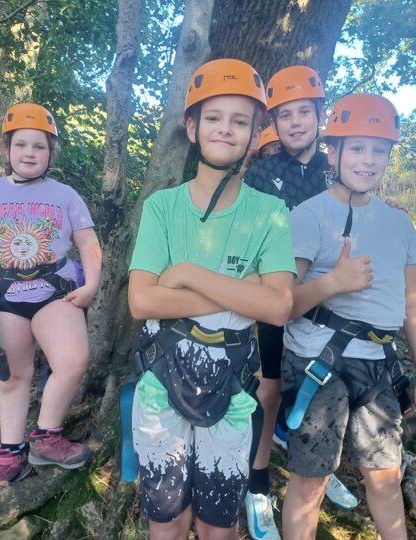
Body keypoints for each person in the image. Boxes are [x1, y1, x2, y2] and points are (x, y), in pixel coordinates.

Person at [127, 58, 295, 539]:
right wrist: (244, 293)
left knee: (217, 523)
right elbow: (142, 302)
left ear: (255, 133)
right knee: (168, 518)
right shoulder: (163, 207)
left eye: (240, 121)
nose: (226, 129)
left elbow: (279, 307)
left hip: (234, 384)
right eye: (214, 118)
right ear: (192, 127)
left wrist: (186, 274)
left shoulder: (270, 212)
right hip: (161, 379)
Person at [281, 93, 416, 540]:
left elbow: (412, 303)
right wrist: (333, 283)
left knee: (386, 478)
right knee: (311, 483)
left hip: (379, 367)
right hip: (317, 361)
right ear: (333, 152)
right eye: (358, 148)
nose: (369, 160)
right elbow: (283, 305)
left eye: (379, 150)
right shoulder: (308, 216)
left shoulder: (398, 223)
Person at [0, 102, 102, 501]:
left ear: (51, 153)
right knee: (14, 377)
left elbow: (88, 241)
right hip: (2, 295)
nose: (29, 153)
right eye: (21, 144)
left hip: (55, 290)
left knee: (72, 361)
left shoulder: (65, 195)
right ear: (6, 149)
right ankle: (10, 456)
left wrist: (91, 284)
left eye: (39, 146)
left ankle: (46, 436)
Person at [242, 65, 356, 538]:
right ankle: (257, 484)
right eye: (284, 115)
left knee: (321, 386)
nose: (294, 123)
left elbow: (362, 212)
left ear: (319, 115)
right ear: (274, 121)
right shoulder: (262, 172)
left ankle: (314, 469)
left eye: (303, 112)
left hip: (330, 299)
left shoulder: (339, 169)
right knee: (269, 389)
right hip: (277, 294)